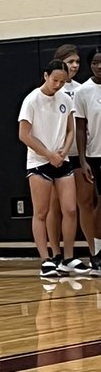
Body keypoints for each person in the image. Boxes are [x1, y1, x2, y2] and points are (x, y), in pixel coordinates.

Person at [18, 60, 90, 279]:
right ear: (46, 75)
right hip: (39, 163)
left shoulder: (65, 100)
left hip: (62, 160)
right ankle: (46, 259)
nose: (58, 85)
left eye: (62, 81)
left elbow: (71, 129)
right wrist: (48, 154)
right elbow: (24, 135)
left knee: (70, 209)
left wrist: (63, 151)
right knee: (41, 212)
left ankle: (68, 257)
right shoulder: (31, 100)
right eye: (55, 80)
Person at [46, 44, 94, 267]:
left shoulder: (82, 88)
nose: (74, 65)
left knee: (83, 204)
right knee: (55, 206)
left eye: (77, 62)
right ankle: (56, 254)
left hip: (78, 153)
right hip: (57, 155)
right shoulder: (52, 90)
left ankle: (93, 252)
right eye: (70, 61)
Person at [75, 48, 101, 274]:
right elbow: (81, 129)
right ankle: (97, 252)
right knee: (97, 204)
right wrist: (82, 160)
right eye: (95, 62)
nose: (99, 66)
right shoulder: (83, 92)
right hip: (95, 155)